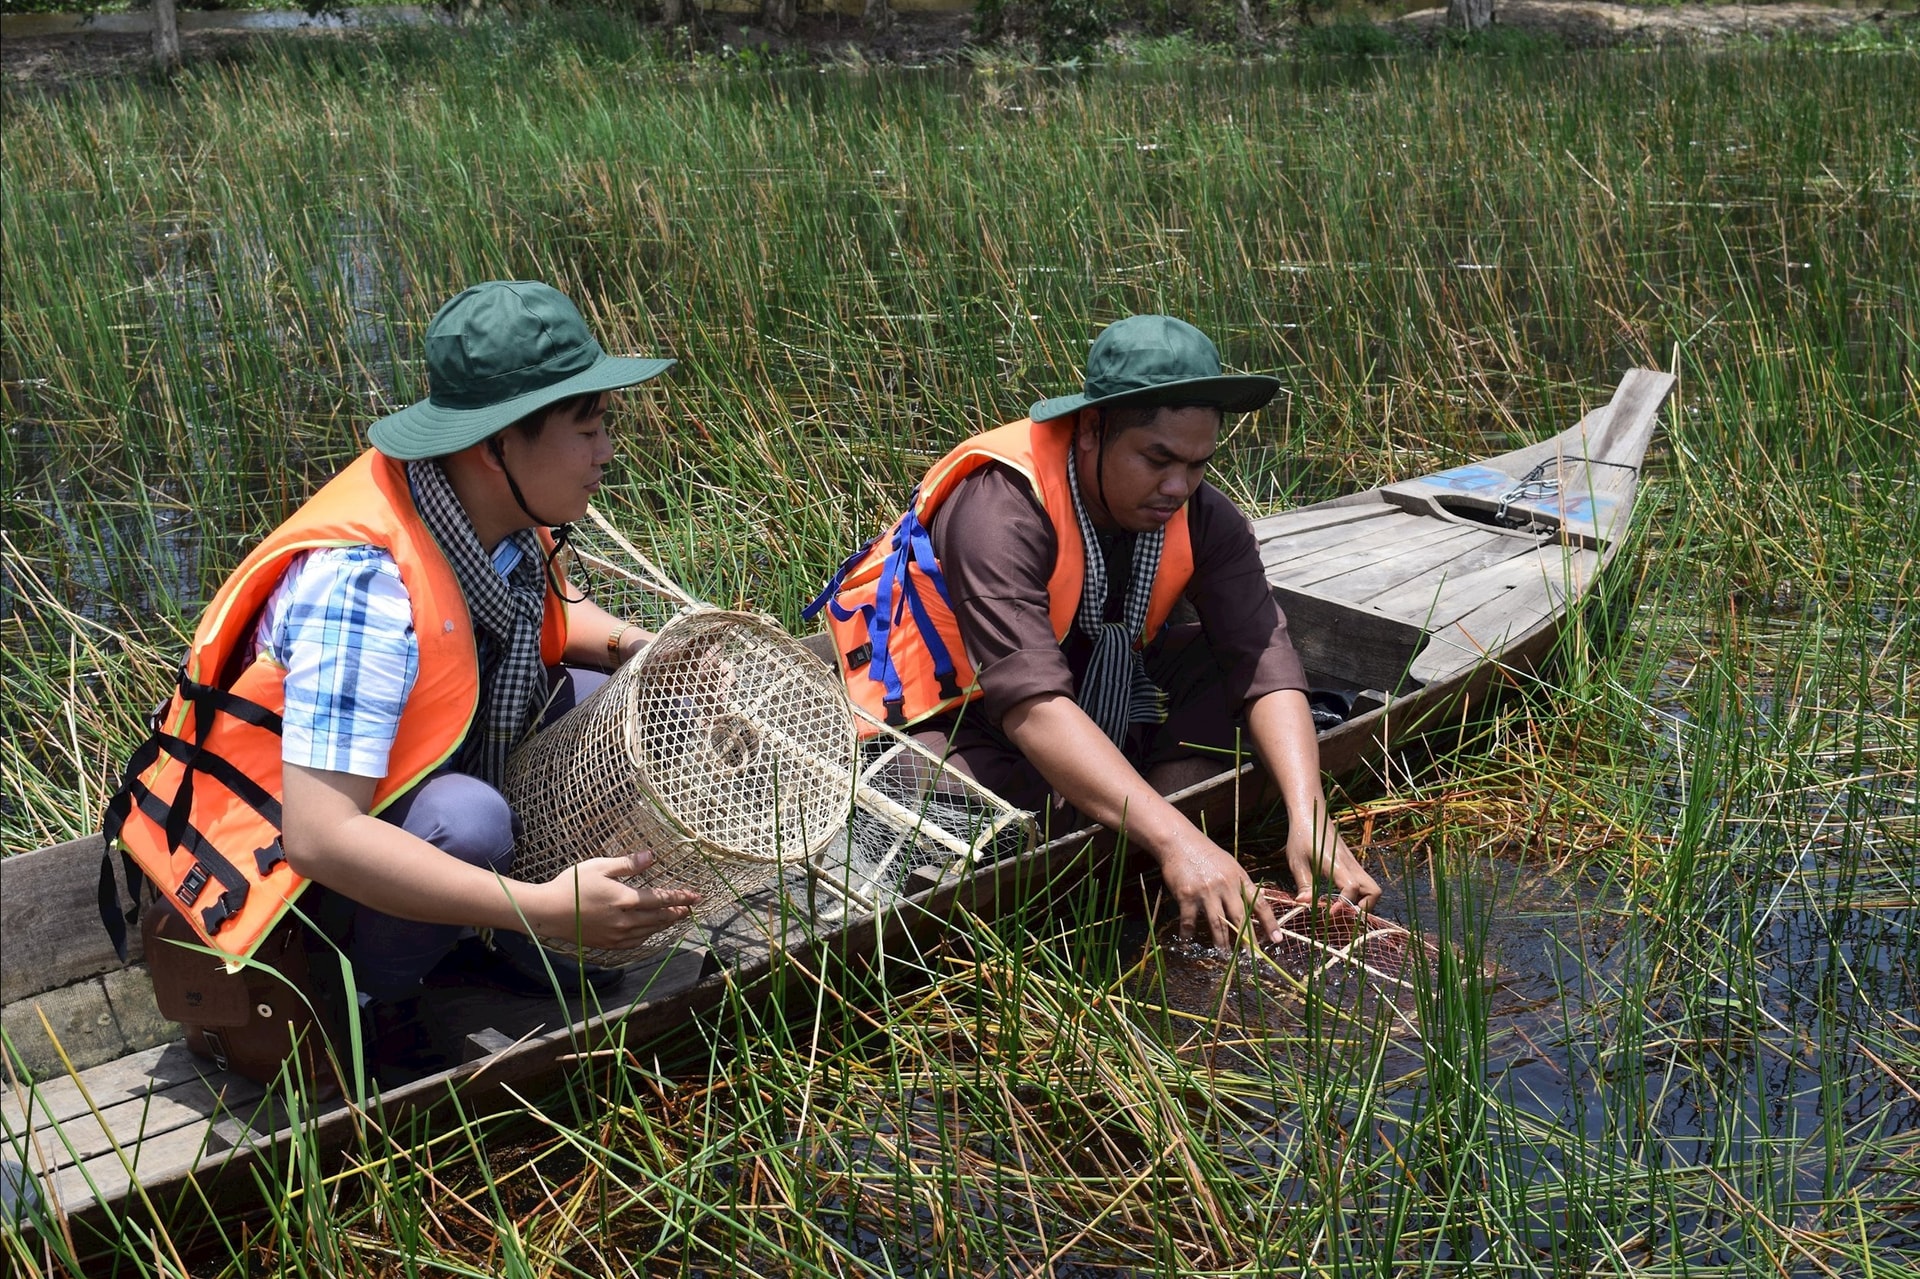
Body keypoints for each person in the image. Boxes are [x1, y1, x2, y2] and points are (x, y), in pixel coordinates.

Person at [101, 280, 699, 1061]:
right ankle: (375, 995)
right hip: (301, 896)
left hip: (390, 817)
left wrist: (648, 649)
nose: (607, 451)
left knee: (624, 700)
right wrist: (545, 908)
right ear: (496, 445)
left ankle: (491, 926)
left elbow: (555, 617)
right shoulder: (365, 586)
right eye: (588, 429)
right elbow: (319, 837)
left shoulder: (490, 507)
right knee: (468, 819)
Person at [808, 315, 1380, 951]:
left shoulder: (1201, 514)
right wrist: (1179, 840)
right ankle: (1146, 833)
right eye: (1156, 458)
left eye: (1197, 464)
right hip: (961, 715)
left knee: (1235, 679)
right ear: (1089, 431)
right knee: (982, 805)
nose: (1177, 486)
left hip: (1086, 685)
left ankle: (1137, 824)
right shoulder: (999, 510)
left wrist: (1310, 814)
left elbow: (1262, 656)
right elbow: (1031, 705)